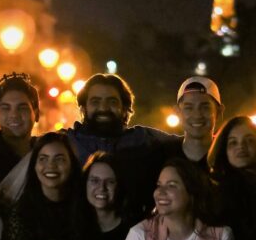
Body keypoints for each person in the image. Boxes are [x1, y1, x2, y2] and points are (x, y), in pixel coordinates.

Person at [65, 74, 180, 215]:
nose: (103, 108)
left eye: (112, 102)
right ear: (83, 108)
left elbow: (190, 146)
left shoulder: (145, 140)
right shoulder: (64, 142)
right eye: (95, 101)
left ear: (125, 108)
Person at [208, 116, 256, 240]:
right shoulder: (218, 194)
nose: (241, 146)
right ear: (224, 151)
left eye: (249, 140)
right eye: (233, 143)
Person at [0, 72, 38, 186]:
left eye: (22, 107)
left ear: (36, 113)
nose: (14, 115)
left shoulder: (45, 154)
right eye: (6, 108)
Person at [160, 76, 224, 171]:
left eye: (205, 107)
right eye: (188, 108)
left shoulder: (229, 158)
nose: (197, 115)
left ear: (219, 111)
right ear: (178, 112)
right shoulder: (160, 157)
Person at [84, 153, 133, 240]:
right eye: (94, 181)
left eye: (110, 182)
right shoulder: (74, 228)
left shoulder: (132, 234)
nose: (102, 188)